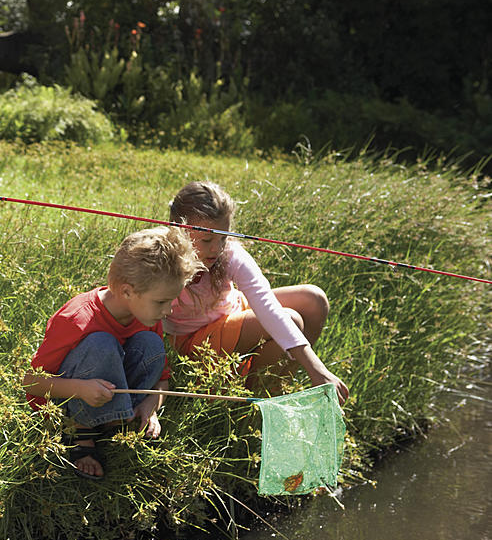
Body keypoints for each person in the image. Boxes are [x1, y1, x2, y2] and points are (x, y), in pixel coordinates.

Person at [23, 227, 202, 480]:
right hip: (72, 404)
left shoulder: (148, 316)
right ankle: (80, 435)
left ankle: (115, 422)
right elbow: (31, 382)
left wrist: (152, 406)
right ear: (128, 291)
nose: (168, 310)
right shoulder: (77, 319)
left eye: (171, 301)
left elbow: (162, 379)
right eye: (162, 301)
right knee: (101, 344)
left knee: (150, 344)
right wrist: (80, 389)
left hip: (107, 397)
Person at [164, 181, 350, 404]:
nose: (217, 248)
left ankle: (275, 386)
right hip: (195, 339)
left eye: (223, 237)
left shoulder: (228, 253)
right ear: (179, 230)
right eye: (207, 240)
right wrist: (315, 367)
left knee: (314, 299)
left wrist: (317, 368)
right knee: (292, 319)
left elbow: (265, 302)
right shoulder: (165, 255)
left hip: (230, 312)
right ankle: (255, 407)